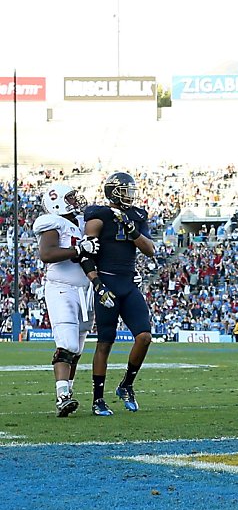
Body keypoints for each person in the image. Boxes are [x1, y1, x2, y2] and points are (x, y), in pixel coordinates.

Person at [33, 182, 115, 417]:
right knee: (67, 343)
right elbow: (47, 254)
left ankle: (67, 393)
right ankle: (61, 395)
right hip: (61, 287)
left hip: (84, 289)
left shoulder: (80, 223)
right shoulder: (53, 223)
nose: (74, 201)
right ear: (57, 201)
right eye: (69, 197)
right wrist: (78, 250)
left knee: (77, 348)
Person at [83, 172, 156, 416]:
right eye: (126, 190)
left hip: (128, 284)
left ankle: (126, 385)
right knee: (105, 343)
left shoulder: (136, 215)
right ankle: (97, 399)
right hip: (107, 283)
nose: (131, 194)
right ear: (113, 191)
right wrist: (97, 283)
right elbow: (86, 254)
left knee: (144, 336)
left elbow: (150, 250)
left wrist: (131, 228)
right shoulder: (99, 215)